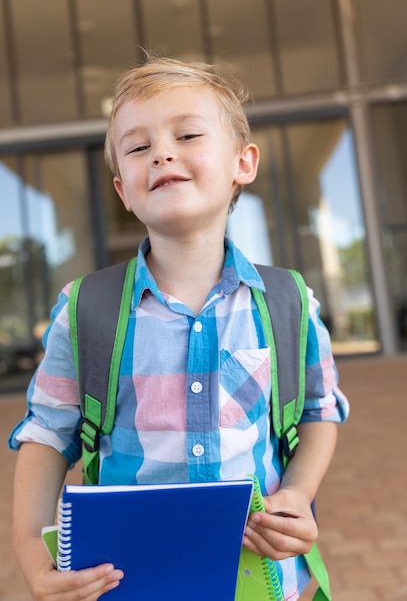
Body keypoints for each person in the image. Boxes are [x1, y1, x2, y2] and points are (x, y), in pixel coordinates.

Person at [9, 56, 349, 601]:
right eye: (138, 147)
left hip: (259, 580)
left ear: (244, 162)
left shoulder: (289, 302)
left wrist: (299, 494)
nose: (162, 152)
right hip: (127, 580)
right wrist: (28, 546)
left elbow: (317, 412)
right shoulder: (84, 310)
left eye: (187, 133)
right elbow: (48, 433)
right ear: (124, 191)